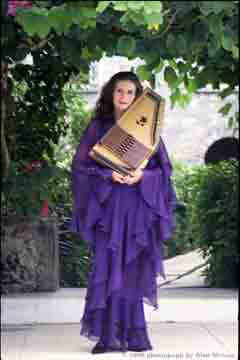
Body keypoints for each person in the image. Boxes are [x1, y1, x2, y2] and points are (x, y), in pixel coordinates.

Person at [70, 71, 176, 354]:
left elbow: (164, 170)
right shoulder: (98, 127)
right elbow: (80, 168)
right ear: (110, 93)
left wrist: (143, 175)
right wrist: (108, 176)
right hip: (108, 211)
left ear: (138, 96)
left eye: (130, 92)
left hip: (138, 209)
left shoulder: (148, 129)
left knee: (132, 269)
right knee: (106, 268)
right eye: (119, 92)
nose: (124, 98)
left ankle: (134, 334)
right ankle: (108, 336)